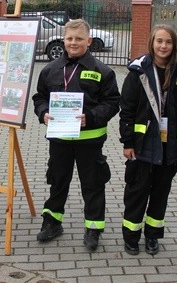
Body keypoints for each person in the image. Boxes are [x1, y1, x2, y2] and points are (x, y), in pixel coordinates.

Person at [32, 19, 120, 251]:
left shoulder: (103, 72)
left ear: (88, 41)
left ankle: (93, 228)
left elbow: (112, 103)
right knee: (57, 182)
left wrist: (89, 117)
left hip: (90, 141)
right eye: (70, 38)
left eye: (79, 39)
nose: (73, 43)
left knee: (92, 185)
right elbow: (39, 98)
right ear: (64, 39)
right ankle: (52, 222)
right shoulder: (50, 70)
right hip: (59, 140)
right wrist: (43, 113)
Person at [119, 25, 177, 256]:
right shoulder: (138, 73)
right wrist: (127, 143)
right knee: (137, 191)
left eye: (168, 42)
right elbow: (127, 111)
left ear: (174, 45)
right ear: (152, 43)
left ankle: (152, 236)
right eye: (159, 41)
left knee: (160, 193)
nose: (163, 46)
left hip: (170, 146)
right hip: (142, 145)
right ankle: (131, 236)